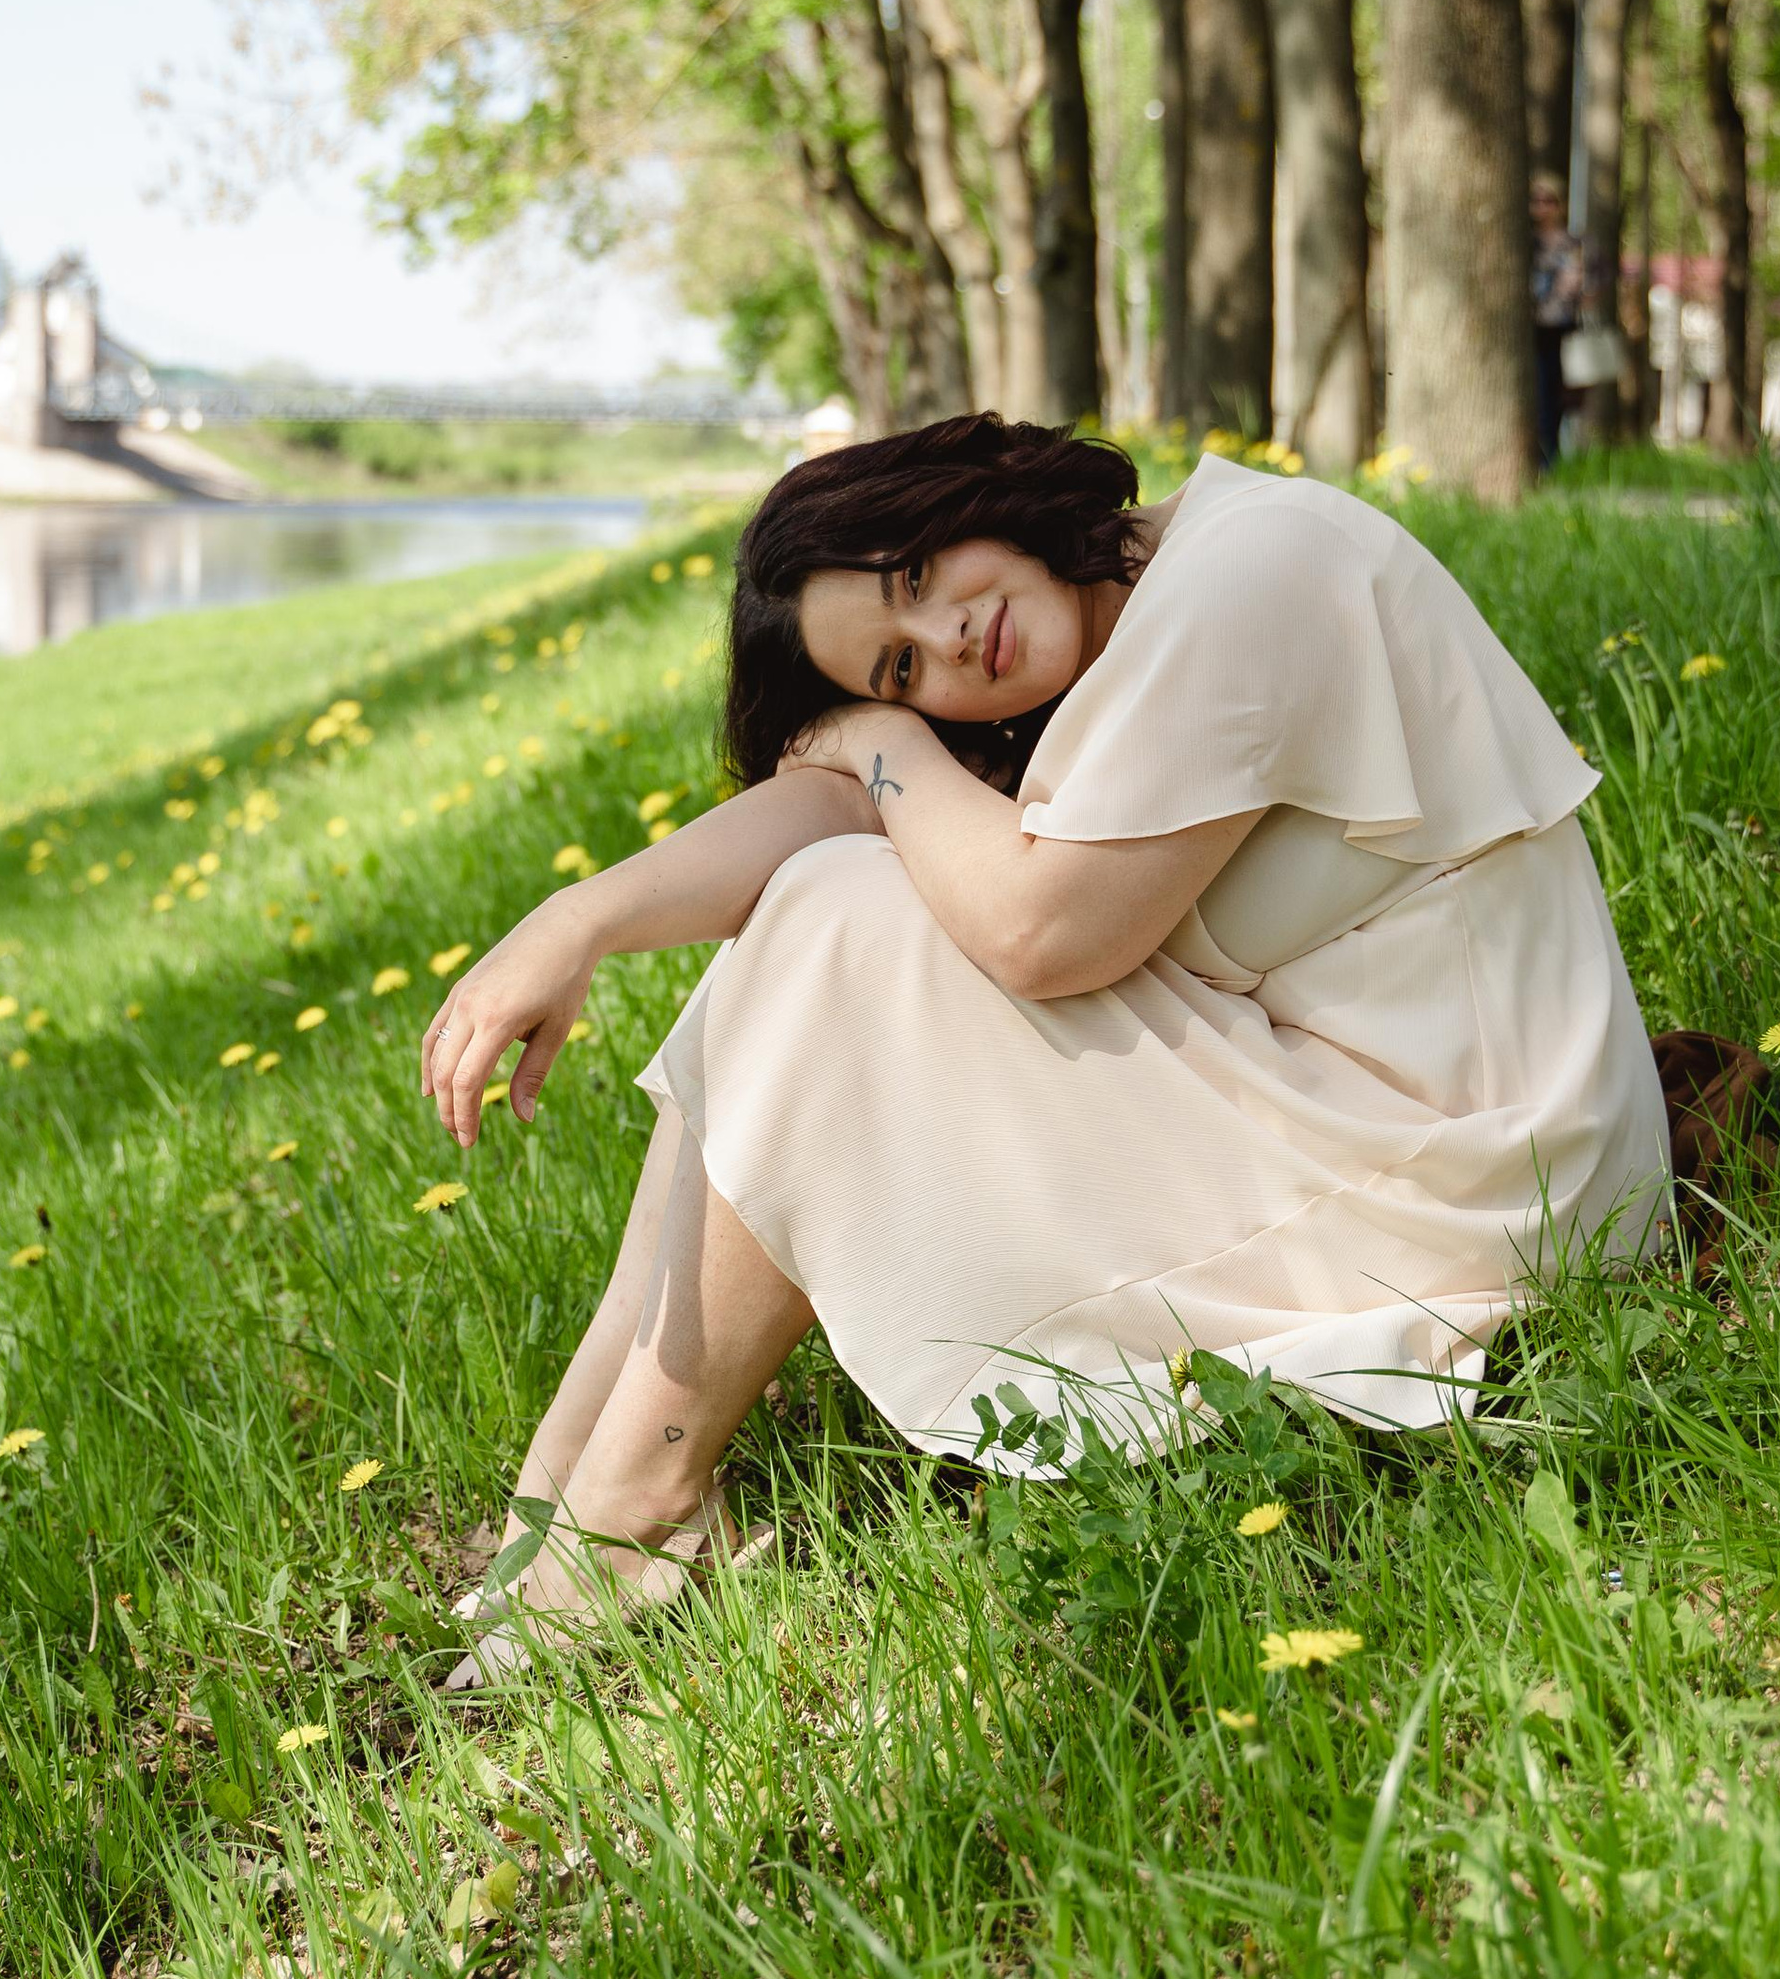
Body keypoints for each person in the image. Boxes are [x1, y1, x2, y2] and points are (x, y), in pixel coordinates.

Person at [423, 414, 1670, 1667]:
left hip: (1493, 1192)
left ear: (957, 497)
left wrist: (888, 733)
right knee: (803, 933)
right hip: (1356, 1115)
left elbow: (1043, 934)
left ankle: (636, 1512)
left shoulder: (1250, 571)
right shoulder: (1119, 623)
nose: (950, 638)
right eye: (901, 668)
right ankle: (565, 1491)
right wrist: (575, 921)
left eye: (915, 577)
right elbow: (819, 810)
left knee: (832, 930)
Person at [1529, 174, 1585, 469]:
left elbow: (1580, 284)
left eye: (1547, 200)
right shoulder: (1524, 242)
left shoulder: (1571, 243)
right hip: (1530, 330)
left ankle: (1549, 460)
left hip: (1559, 329)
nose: (1541, 207)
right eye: (1535, 200)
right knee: (1537, 396)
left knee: (1555, 397)